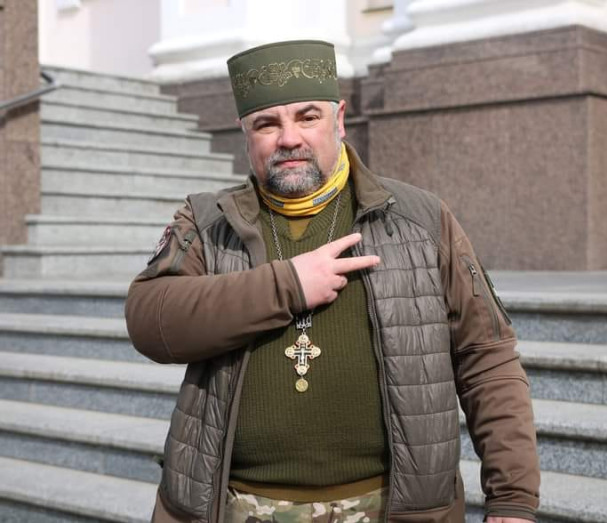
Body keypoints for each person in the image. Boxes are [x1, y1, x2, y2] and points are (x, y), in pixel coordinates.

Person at [125, 40, 540, 523]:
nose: (289, 138)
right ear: (245, 133)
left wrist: (513, 498)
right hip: (234, 506)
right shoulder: (207, 221)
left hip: (391, 508)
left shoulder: (420, 219)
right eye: (267, 124)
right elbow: (149, 320)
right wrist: (287, 285)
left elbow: (487, 358)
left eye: (308, 117)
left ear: (339, 120)